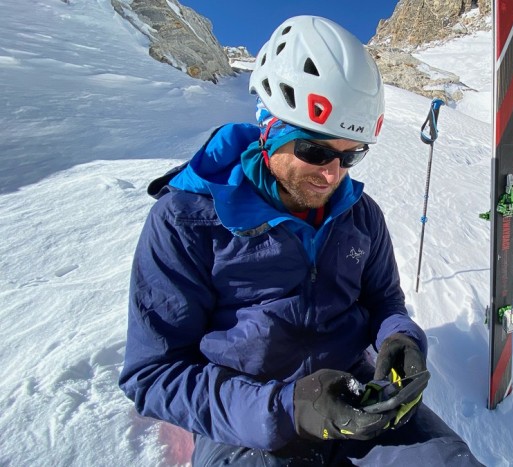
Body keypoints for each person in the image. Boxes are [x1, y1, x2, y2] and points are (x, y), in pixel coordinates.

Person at [118, 15, 483, 467]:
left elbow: (384, 300)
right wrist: (291, 408)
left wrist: (401, 340)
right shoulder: (187, 219)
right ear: (270, 131)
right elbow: (153, 375)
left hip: (355, 392)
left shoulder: (360, 216)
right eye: (316, 151)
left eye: (351, 154)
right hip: (248, 416)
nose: (333, 173)